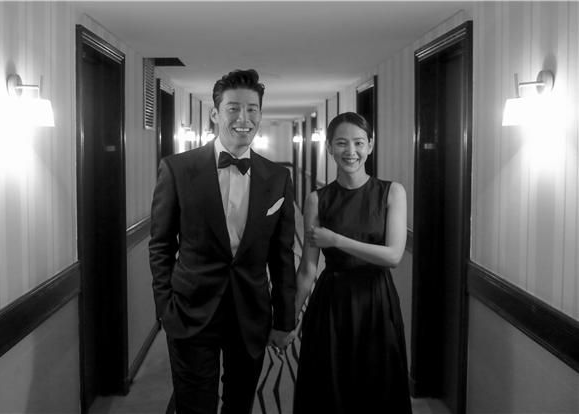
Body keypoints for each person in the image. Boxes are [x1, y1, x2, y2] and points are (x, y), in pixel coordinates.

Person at [149, 69, 296, 414]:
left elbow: (282, 254)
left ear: (260, 114)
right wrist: (165, 307)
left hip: (251, 311)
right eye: (233, 108)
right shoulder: (177, 169)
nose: (244, 118)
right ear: (215, 114)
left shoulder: (278, 177)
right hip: (190, 309)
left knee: (240, 403)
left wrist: (284, 318)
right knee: (194, 405)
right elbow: (160, 245)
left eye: (252, 109)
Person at [291, 112, 412, 413]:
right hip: (332, 302)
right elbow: (307, 269)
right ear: (329, 147)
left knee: (377, 387)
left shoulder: (392, 192)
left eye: (359, 142)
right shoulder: (317, 200)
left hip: (376, 301)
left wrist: (336, 240)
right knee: (331, 388)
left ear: (370, 145)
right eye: (341, 143)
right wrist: (288, 319)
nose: (351, 151)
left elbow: (393, 256)